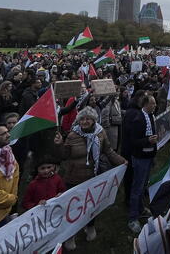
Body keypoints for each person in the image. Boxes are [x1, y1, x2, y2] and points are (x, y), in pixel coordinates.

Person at [58, 106, 126, 249]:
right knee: (74, 207)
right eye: (82, 119)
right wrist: (59, 145)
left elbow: (108, 150)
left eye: (88, 118)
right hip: (74, 178)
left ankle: (90, 226)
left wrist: (121, 161)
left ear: (94, 120)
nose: (85, 121)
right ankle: (71, 234)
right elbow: (64, 156)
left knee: (91, 204)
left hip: (93, 177)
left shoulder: (100, 133)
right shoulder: (72, 135)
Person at [128, 94, 158, 235]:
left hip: (148, 156)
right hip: (140, 157)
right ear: (145, 105)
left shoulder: (151, 117)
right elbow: (133, 141)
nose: (155, 106)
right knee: (137, 187)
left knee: (143, 185)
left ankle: (140, 208)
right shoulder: (138, 119)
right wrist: (147, 141)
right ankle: (132, 218)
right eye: (152, 103)